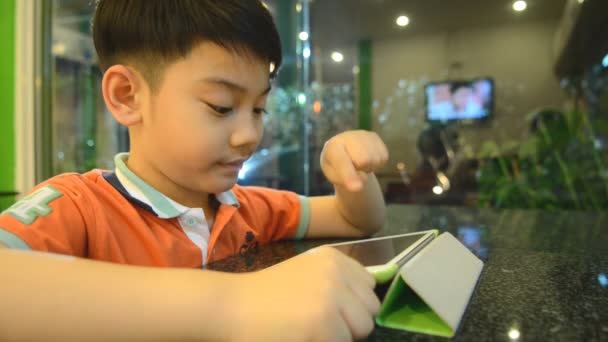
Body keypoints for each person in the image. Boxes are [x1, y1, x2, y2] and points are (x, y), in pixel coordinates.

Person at [0, 1, 389, 340]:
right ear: (127, 96)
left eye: (258, 108)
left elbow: (356, 222)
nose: (249, 135)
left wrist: (353, 175)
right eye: (221, 106)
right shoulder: (81, 207)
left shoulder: (245, 209)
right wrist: (234, 302)